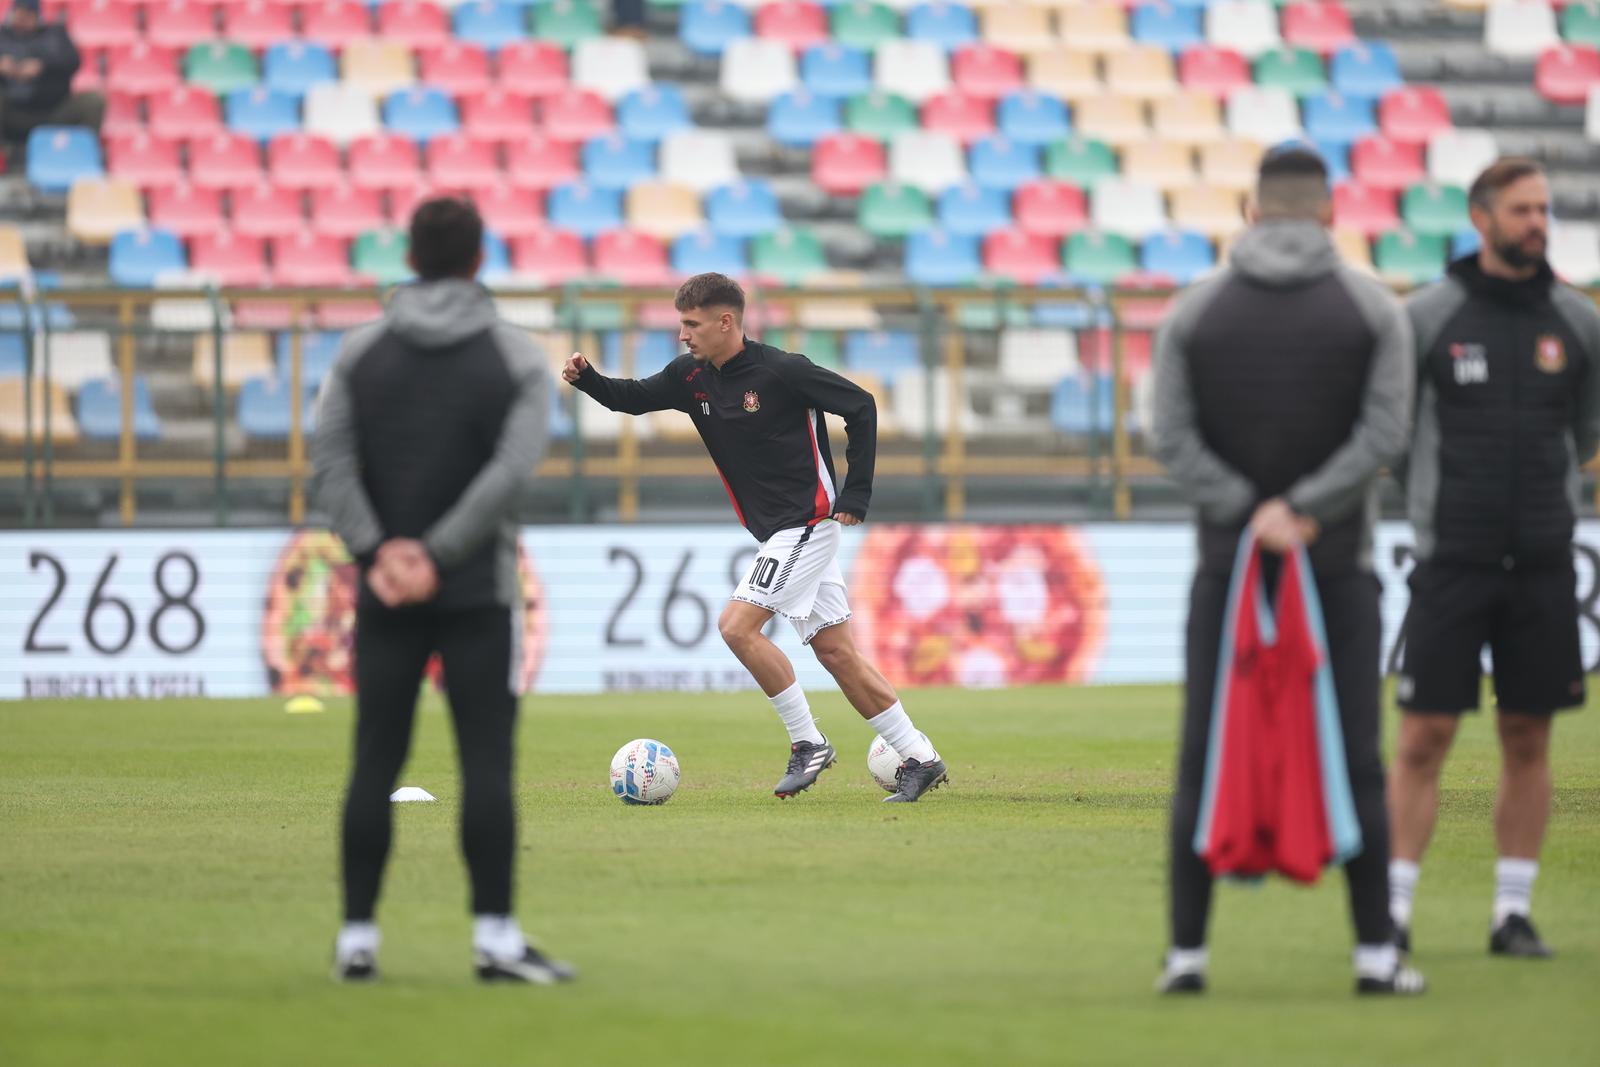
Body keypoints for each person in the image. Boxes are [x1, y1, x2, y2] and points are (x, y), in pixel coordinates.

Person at [1151, 148, 1423, 995]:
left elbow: (1171, 437)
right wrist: (1303, 509)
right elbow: (1385, 434)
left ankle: (1187, 956)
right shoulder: (1375, 309)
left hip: (1227, 569)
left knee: (1204, 753)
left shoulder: (1194, 313)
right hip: (1335, 567)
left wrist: (1248, 506)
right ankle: (1376, 955)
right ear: (1330, 212)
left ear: (1252, 211)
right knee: (1357, 757)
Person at [311, 197, 572, 984]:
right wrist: (439, 551)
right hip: (474, 591)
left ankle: (357, 941)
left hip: (384, 593)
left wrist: (380, 550)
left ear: (411, 256)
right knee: (486, 762)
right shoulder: (516, 357)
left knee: (374, 761)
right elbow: (511, 472)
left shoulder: (360, 353)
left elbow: (329, 463)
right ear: (477, 258)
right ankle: (495, 939)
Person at [564, 272, 949, 803]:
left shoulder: (782, 372)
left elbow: (860, 406)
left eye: (692, 324)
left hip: (807, 526)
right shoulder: (690, 377)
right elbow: (629, 399)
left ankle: (807, 742)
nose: (683, 335)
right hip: (779, 533)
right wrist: (588, 378)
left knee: (736, 626)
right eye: (681, 324)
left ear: (727, 322)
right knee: (836, 653)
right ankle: (920, 756)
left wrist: (855, 495)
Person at [1388, 158, 1600, 961]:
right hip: (1453, 560)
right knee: (1423, 736)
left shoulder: (1578, 321)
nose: (1537, 223)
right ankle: (1397, 912)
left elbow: (1583, 436)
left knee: (1528, 735)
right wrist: (1446, 501)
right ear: (1480, 218)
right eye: (1521, 210)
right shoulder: (1428, 317)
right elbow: (1398, 439)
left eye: (1544, 208)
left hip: (1545, 562)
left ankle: (1512, 911)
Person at [0, 0, 102, 151]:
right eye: (19, 15)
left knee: (93, 101)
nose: (23, 20)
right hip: (14, 111)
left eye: (28, 15)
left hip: (55, 110)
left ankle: (83, 154)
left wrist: (43, 67)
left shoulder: (55, 34)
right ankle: (4, 157)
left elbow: (73, 61)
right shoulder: (2, 36)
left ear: (37, 15)